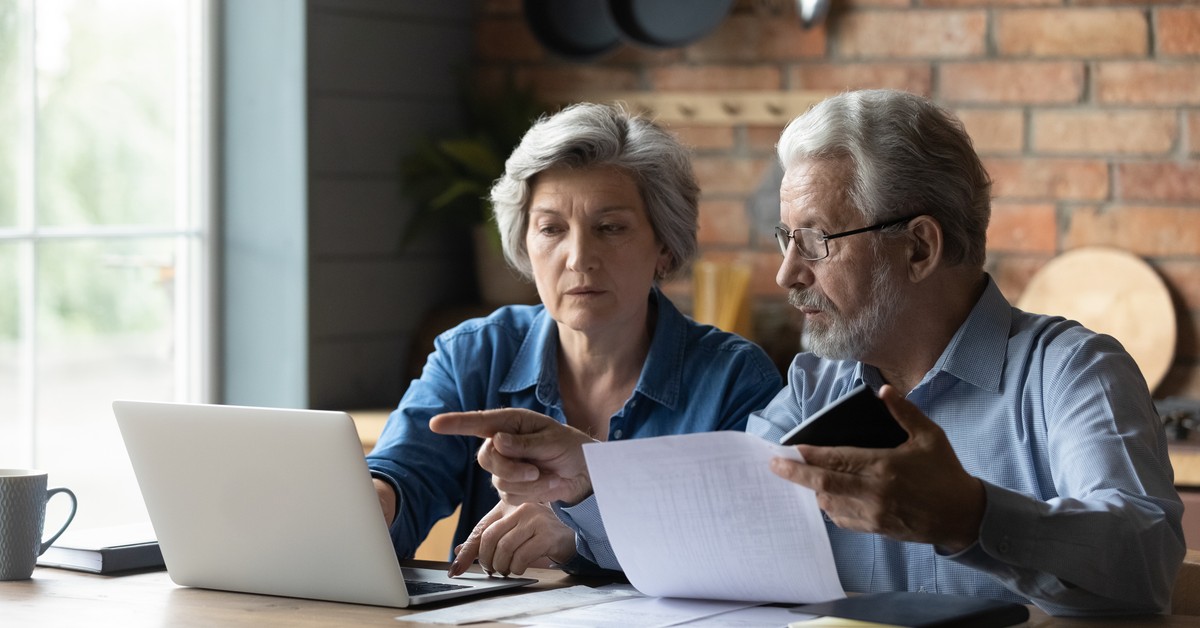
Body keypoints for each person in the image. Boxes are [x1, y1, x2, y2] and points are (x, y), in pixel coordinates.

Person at [433, 90, 1186, 616]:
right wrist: (589, 478)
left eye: (816, 242)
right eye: (785, 241)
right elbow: (720, 521)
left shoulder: (1071, 371)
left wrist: (971, 517)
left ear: (919, 247)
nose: (789, 275)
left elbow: (1146, 563)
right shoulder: (814, 385)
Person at [366, 102, 782, 577]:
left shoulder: (734, 379)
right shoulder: (474, 354)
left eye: (610, 228)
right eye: (551, 229)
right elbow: (405, 474)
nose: (579, 257)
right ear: (525, 244)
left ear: (664, 246)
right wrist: (376, 504)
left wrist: (580, 535)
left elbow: (747, 547)